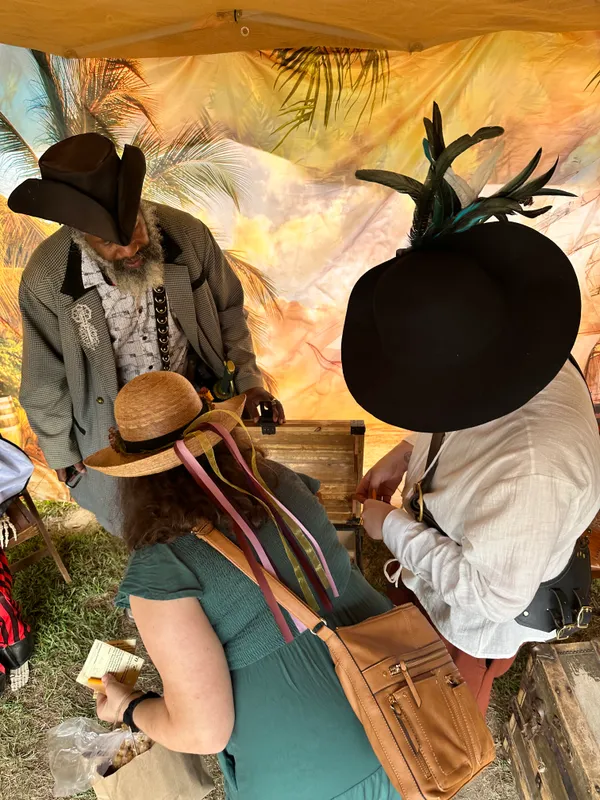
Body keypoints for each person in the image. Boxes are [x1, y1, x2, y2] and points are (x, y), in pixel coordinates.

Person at [342, 105, 600, 714]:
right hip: (475, 552)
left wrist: (392, 529)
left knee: (449, 704)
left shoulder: (532, 472)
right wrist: (408, 451)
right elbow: (459, 408)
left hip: (487, 612)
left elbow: (489, 596)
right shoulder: (513, 350)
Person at [82, 370, 399, 799]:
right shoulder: (277, 479)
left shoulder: (162, 567)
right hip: (401, 703)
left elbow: (205, 732)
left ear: (133, 477)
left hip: (309, 768)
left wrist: (128, 706)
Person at [9, 133, 284, 534]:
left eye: (134, 226)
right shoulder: (47, 277)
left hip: (194, 405)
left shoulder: (187, 236)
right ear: (79, 235)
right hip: (114, 428)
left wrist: (247, 381)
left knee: (219, 508)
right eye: (109, 242)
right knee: (148, 529)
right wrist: (60, 449)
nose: (130, 249)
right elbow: (44, 379)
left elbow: (228, 311)